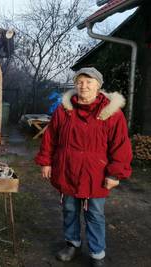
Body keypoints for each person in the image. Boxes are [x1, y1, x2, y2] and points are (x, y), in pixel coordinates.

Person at [35, 67, 132, 267]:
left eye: (89, 82)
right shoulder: (64, 110)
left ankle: (97, 253)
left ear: (98, 86)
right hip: (67, 168)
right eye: (80, 81)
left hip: (95, 173)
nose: (84, 85)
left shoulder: (111, 113)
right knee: (69, 209)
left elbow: (120, 145)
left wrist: (115, 174)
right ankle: (73, 244)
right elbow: (50, 137)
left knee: (95, 214)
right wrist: (46, 161)